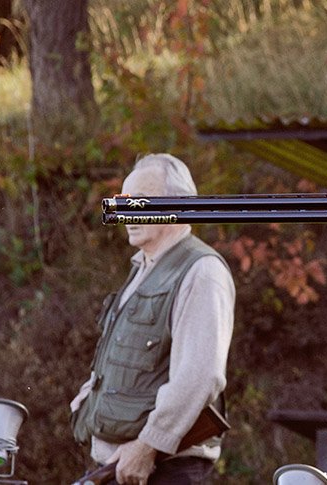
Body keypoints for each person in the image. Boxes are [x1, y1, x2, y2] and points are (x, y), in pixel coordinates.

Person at [70, 154, 235, 485]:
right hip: (117, 465)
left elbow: (199, 376)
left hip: (161, 469)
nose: (128, 210)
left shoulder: (201, 271)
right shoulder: (145, 268)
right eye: (124, 201)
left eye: (140, 201)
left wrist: (148, 446)